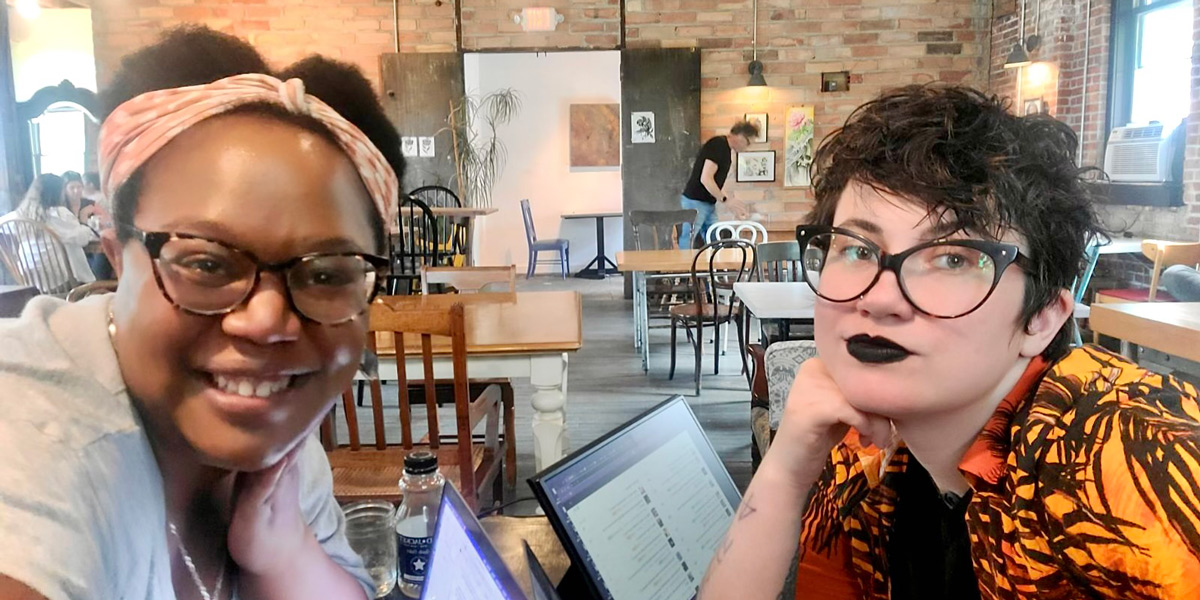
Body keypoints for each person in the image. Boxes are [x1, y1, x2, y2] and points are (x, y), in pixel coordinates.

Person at [699, 85, 1200, 600]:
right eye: (855, 248)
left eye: (954, 257)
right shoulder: (861, 450)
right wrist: (784, 473)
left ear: (1044, 317)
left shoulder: (1132, 461)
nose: (880, 297)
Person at [0, 25, 404, 600]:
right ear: (116, 258)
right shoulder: (34, 434)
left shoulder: (277, 425)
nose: (268, 322)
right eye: (208, 265)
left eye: (323, 273)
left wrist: (280, 548)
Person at [5, 172, 98, 290]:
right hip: (58, 280)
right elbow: (82, 240)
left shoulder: (19, 215)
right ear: (57, 192)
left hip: (29, 278)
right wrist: (84, 220)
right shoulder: (58, 214)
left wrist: (9, 256)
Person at [679, 120, 758, 247]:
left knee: (715, 239)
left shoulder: (725, 150)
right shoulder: (718, 145)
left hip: (707, 203)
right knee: (688, 239)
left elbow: (715, 183)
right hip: (695, 202)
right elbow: (706, 178)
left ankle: (715, 266)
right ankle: (683, 266)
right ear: (740, 137)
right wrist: (726, 200)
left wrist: (731, 202)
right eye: (748, 143)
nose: (747, 148)